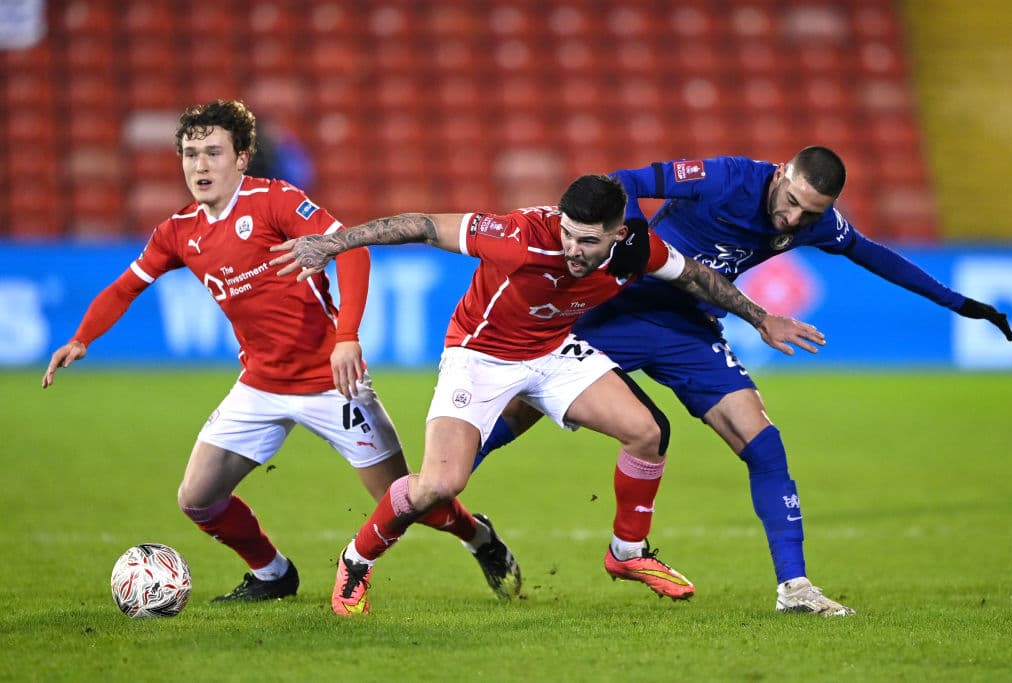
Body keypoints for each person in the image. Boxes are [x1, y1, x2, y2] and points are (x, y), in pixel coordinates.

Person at [473, 146, 1012, 616]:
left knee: (763, 441)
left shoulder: (815, 222)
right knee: (519, 412)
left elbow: (876, 257)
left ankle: (795, 586)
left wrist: (962, 305)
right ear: (781, 174)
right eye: (792, 202)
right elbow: (628, 183)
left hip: (689, 328)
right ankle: (430, 499)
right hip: (618, 310)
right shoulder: (727, 177)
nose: (793, 219)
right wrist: (635, 243)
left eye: (810, 213)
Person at [269, 174, 826, 615]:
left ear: (616, 232)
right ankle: (356, 560)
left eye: (588, 241)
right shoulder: (516, 236)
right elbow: (418, 224)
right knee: (440, 484)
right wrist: (334, 243)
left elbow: (695, 277)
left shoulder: (637, 248)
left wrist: (759, 317)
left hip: (554, 351)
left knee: (647, 432)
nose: (574, 250)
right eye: (567, 234)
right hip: (479, 357)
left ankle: (627, 554)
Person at [40, 99, 521, 607]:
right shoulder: (179, 232)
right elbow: (125, 286)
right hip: (260, 386)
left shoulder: (276, 202)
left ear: (242, 158)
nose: (200, 166)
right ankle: (273, 574)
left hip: (330, 383)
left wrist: (346, 337)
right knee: (197, 499)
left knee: (407, 500)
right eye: (190, 154)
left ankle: (478, 537)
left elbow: (351, 250)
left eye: (213, 153)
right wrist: (81, 338)